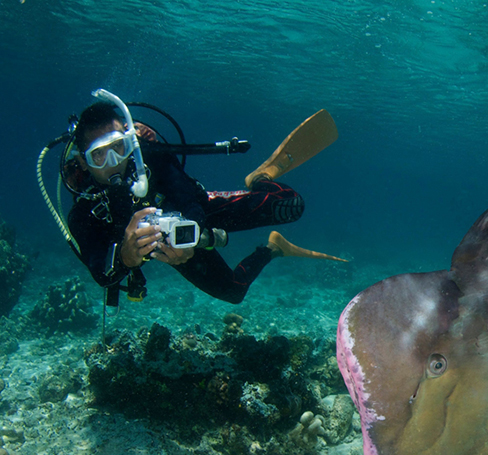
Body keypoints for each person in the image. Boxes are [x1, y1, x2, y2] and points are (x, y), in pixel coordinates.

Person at [66, 100, 341, 305]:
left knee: (291, 204)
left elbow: (185, 193)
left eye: (119, 147)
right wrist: (126, 255)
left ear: (130, 141)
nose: (114, 161)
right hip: (171, 245)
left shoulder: (150, 156)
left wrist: (191, 232)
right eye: (99, 156)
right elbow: (101, 273)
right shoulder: (84, 213)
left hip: (187, 227)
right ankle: (272, 248)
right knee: (234, 291)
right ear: (82, 161)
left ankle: (260, 177)